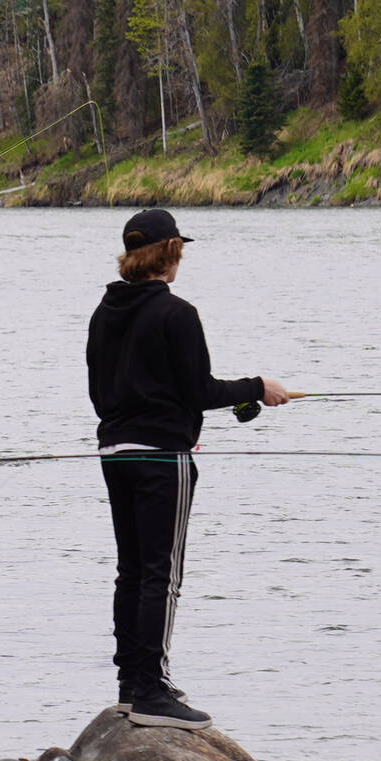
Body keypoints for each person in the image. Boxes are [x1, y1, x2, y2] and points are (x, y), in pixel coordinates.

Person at [86, 208, 293, 731]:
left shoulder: (103, 312)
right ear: (170, 251)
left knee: (131, 570)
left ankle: (131, 684)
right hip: (162, 459)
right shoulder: (177, 313)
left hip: (114, 454)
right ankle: (152, 689)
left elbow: (100, 393)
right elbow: (200, 391)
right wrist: (257, 388)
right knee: (162, 573)